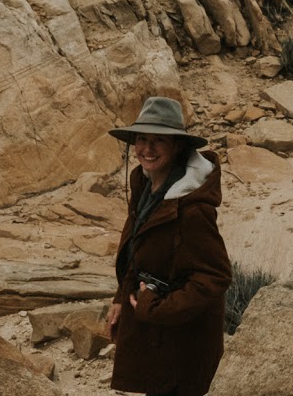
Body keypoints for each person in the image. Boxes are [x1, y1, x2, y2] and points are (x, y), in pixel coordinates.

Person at [106, 96, 232, 396]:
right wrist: (122, 298)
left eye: (159, 140)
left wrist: (157, 308)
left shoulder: (192, 208)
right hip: (158, 330)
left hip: (185, 340)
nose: (147, 149)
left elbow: (216, 276)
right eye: (142, 139)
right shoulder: (146, 186)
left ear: (177, 146)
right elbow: (136, 249)